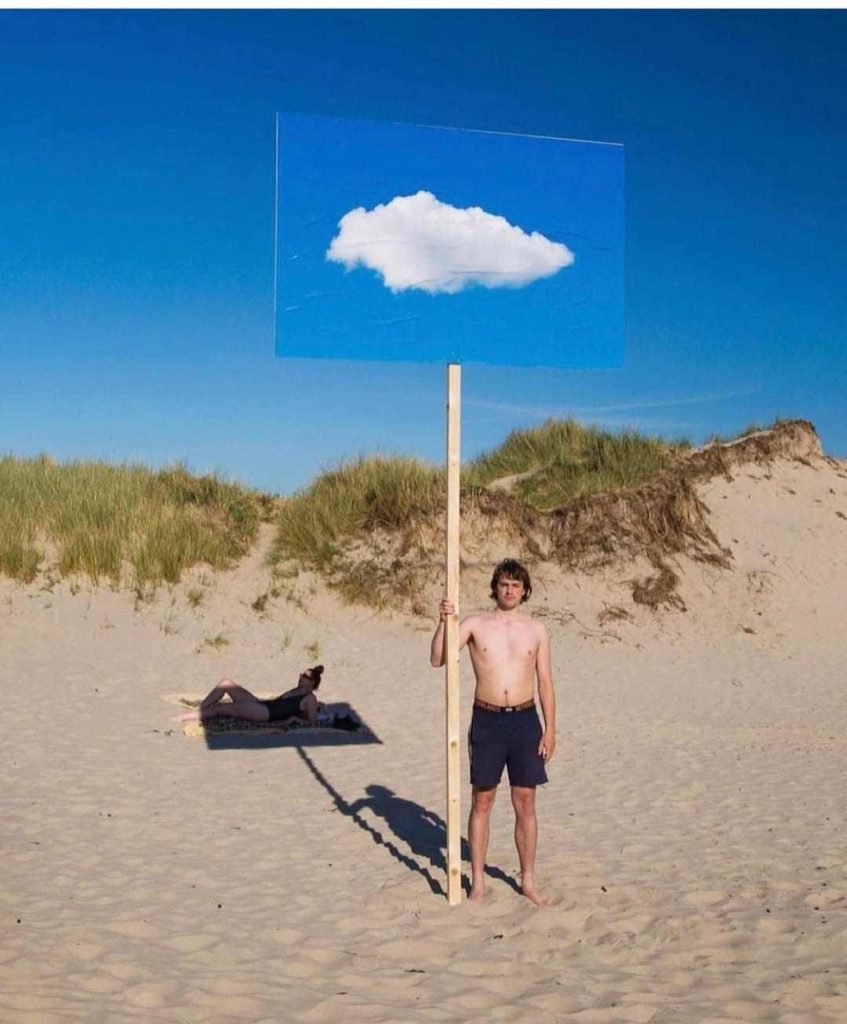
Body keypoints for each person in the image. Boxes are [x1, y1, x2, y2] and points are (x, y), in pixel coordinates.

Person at [430, 559, 556, 906]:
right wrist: (444, 622)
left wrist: (551, 730)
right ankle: (479, 881)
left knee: (525, 801)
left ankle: (527, 880)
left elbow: (545, 681)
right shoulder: (475, 624)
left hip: (525, 720)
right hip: (487, 721)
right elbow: (438, 658)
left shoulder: (537, 630)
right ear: (495, 587)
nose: (509, 590)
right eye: (504, 584)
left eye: (516, 585)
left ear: (525, 590)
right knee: (482, 800)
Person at [186, 665, 324, 725]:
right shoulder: (296, 690)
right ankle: (200, 708)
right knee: (225, 683)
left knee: (220, 708)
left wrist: (295, 719)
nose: (300, 677)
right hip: (263, 705)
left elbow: (311, 721)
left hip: (265, 714)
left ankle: (184, 718)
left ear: (312, 682)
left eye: (304, 676)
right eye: (301, 674)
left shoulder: (310, 698)